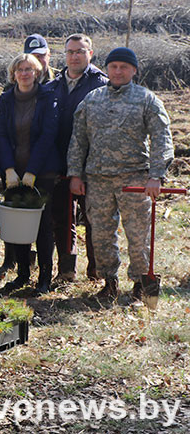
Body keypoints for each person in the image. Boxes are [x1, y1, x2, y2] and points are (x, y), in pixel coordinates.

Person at [68, 47, 174, 300]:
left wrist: (156, 176)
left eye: (123, 67)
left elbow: (162, 138)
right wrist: (75, 174)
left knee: (138, 235)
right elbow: (78, 140)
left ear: (133, 70)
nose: (117, 71)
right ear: (107, 69)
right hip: (98, 180)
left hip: (134, 179)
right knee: (101, 235)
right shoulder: (92, 100)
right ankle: (109, 282)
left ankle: (140, 284)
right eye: (113, 66)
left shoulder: (146, 99)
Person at [0, 54, 60, 295]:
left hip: (42, 172)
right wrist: (9, 169)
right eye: (20, 69)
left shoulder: (48, 97)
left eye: (29, 69)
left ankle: (44, 278)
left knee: (42, 225)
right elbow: (1, 135)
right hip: (13, 172)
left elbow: (48, 135)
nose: (24, 73)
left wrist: (32, 171)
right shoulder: (5, 99)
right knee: (18, 223)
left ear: (37, 72)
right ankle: (22, 274)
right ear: (13, 74)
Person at [51, 34, 107, 282]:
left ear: (90, 54)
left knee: (94, 218)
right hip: (60, 162)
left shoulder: (101, 84)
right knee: (63, 218)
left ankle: (96, 270)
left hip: (93, 164)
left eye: (80, 51)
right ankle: (66, 270)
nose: (74, 56)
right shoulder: (53, 85)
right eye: (70, 52)